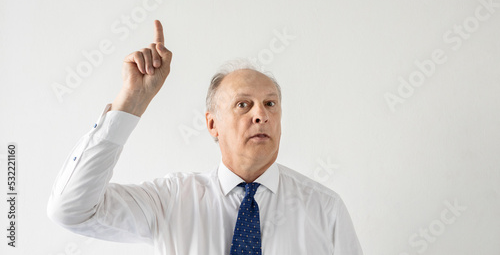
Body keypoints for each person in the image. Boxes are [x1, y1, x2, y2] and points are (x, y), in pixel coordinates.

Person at [47, 20, 363, 254]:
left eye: (270, 104)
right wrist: (131, 101)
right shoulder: (171, 200)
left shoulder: (325, 208)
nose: (260, 114)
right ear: (213, 125)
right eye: (244, 104)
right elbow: (71, 210)